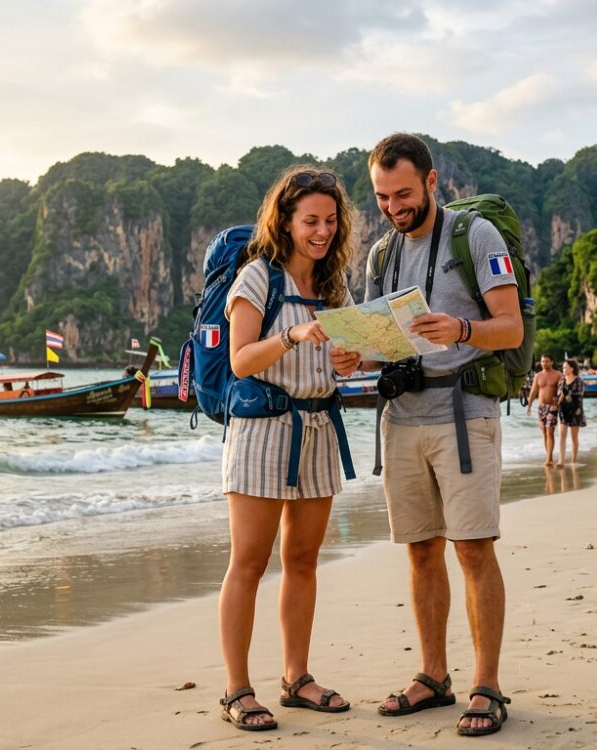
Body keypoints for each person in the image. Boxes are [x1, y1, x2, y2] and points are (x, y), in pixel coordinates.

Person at [343, 132, 521, 736]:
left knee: (473, 548)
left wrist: (462, 329)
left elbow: (511, 329)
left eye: (403, 194)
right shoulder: (380, 256)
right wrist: (354, 358)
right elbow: (377, 343)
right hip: (403, 417)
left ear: (432, 180)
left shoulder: (475, 237)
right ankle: (434, 675)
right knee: (421, 551)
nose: (394, 208)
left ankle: (487, 684)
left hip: (464, 413)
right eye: (382, 197)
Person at [216, 165, 358, 731]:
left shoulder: (334, 287)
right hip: (263, 430)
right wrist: (293, 335)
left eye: (329, 221)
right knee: (248, 563)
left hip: (319, 428)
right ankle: (236, 689)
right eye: (310, 221)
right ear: (286, 220)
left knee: (302, 561)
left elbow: (346, 356)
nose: (321, 232)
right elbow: (240, 360)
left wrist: (351, 361)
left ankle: (296, 678)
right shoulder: (258, 277)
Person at [527, 355, 563, 466]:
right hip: (541, 407)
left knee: (550, 432)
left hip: (552, 407)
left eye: (546, 361)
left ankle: (548, 459)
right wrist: (529, 406)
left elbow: (563, 390)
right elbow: (533, 392)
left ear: (552, 362)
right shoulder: (538, 376)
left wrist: (558, 401)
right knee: (544, 433)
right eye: (542, 361)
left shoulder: (558, 375)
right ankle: (549, 457)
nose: (544, 363)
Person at [556, 358, 586, 466]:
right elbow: (559, 396)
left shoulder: (579, 381)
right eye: (563, 367)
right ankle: (561, 461)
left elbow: (579, 397)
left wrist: (567, 395)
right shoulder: (561, 381)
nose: (563, 369)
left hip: (575, 410)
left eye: (565, 367)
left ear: (572, 368)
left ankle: (573, 460)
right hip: (563, 410)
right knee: (562, 436)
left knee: (574, 436)